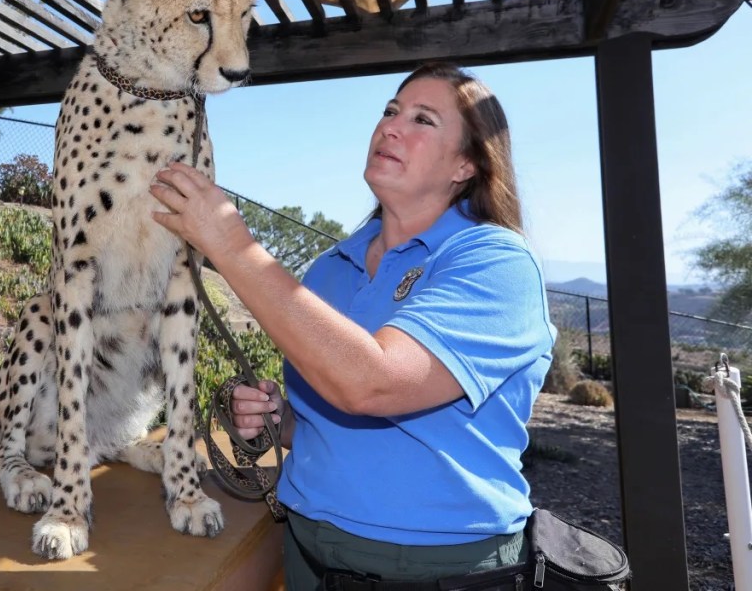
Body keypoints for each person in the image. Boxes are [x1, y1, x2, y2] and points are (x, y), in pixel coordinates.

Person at [149, 63, 555, 589]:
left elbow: (371, 383)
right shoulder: (329, 269)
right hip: (306, 553)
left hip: (437, 571)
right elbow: (327, 416)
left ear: (466, 165)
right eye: (390, 110)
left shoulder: (496, 261)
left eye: (423, 120)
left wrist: (229, 245)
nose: (390, 126)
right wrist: (277, 418)